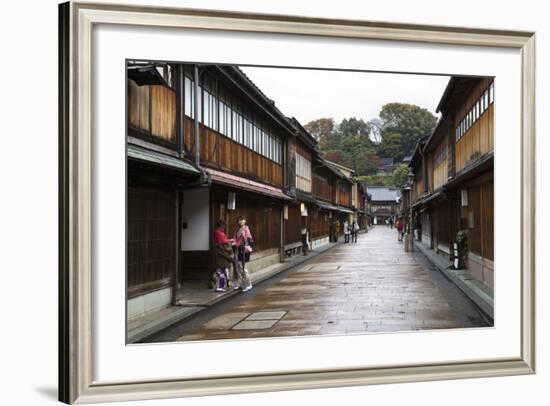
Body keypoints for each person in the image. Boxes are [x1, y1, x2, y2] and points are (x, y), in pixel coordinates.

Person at [232, 216, 253, 292]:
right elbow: (235, 238)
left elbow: (249, 239)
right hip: (237, 250)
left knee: (243, 268)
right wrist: (234, 242)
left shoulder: (246, 229)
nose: (240, 221)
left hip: (243, 250)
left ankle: (248, 284)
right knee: (237, 267)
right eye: (239, 220)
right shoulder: (237, 229)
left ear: (245, 221)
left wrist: (245, 236)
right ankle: (240, 283)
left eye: (242, 220)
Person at [212, 220, 233, 292]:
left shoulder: (216, 233)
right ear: (221, 226)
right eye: (223, 226)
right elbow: (225, 246)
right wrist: (229, 246)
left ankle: (220, 285)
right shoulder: (220, 234)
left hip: (218, 254)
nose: (224, 228)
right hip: (222, 255)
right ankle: (220, 286)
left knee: (220, 271)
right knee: (222, 271)